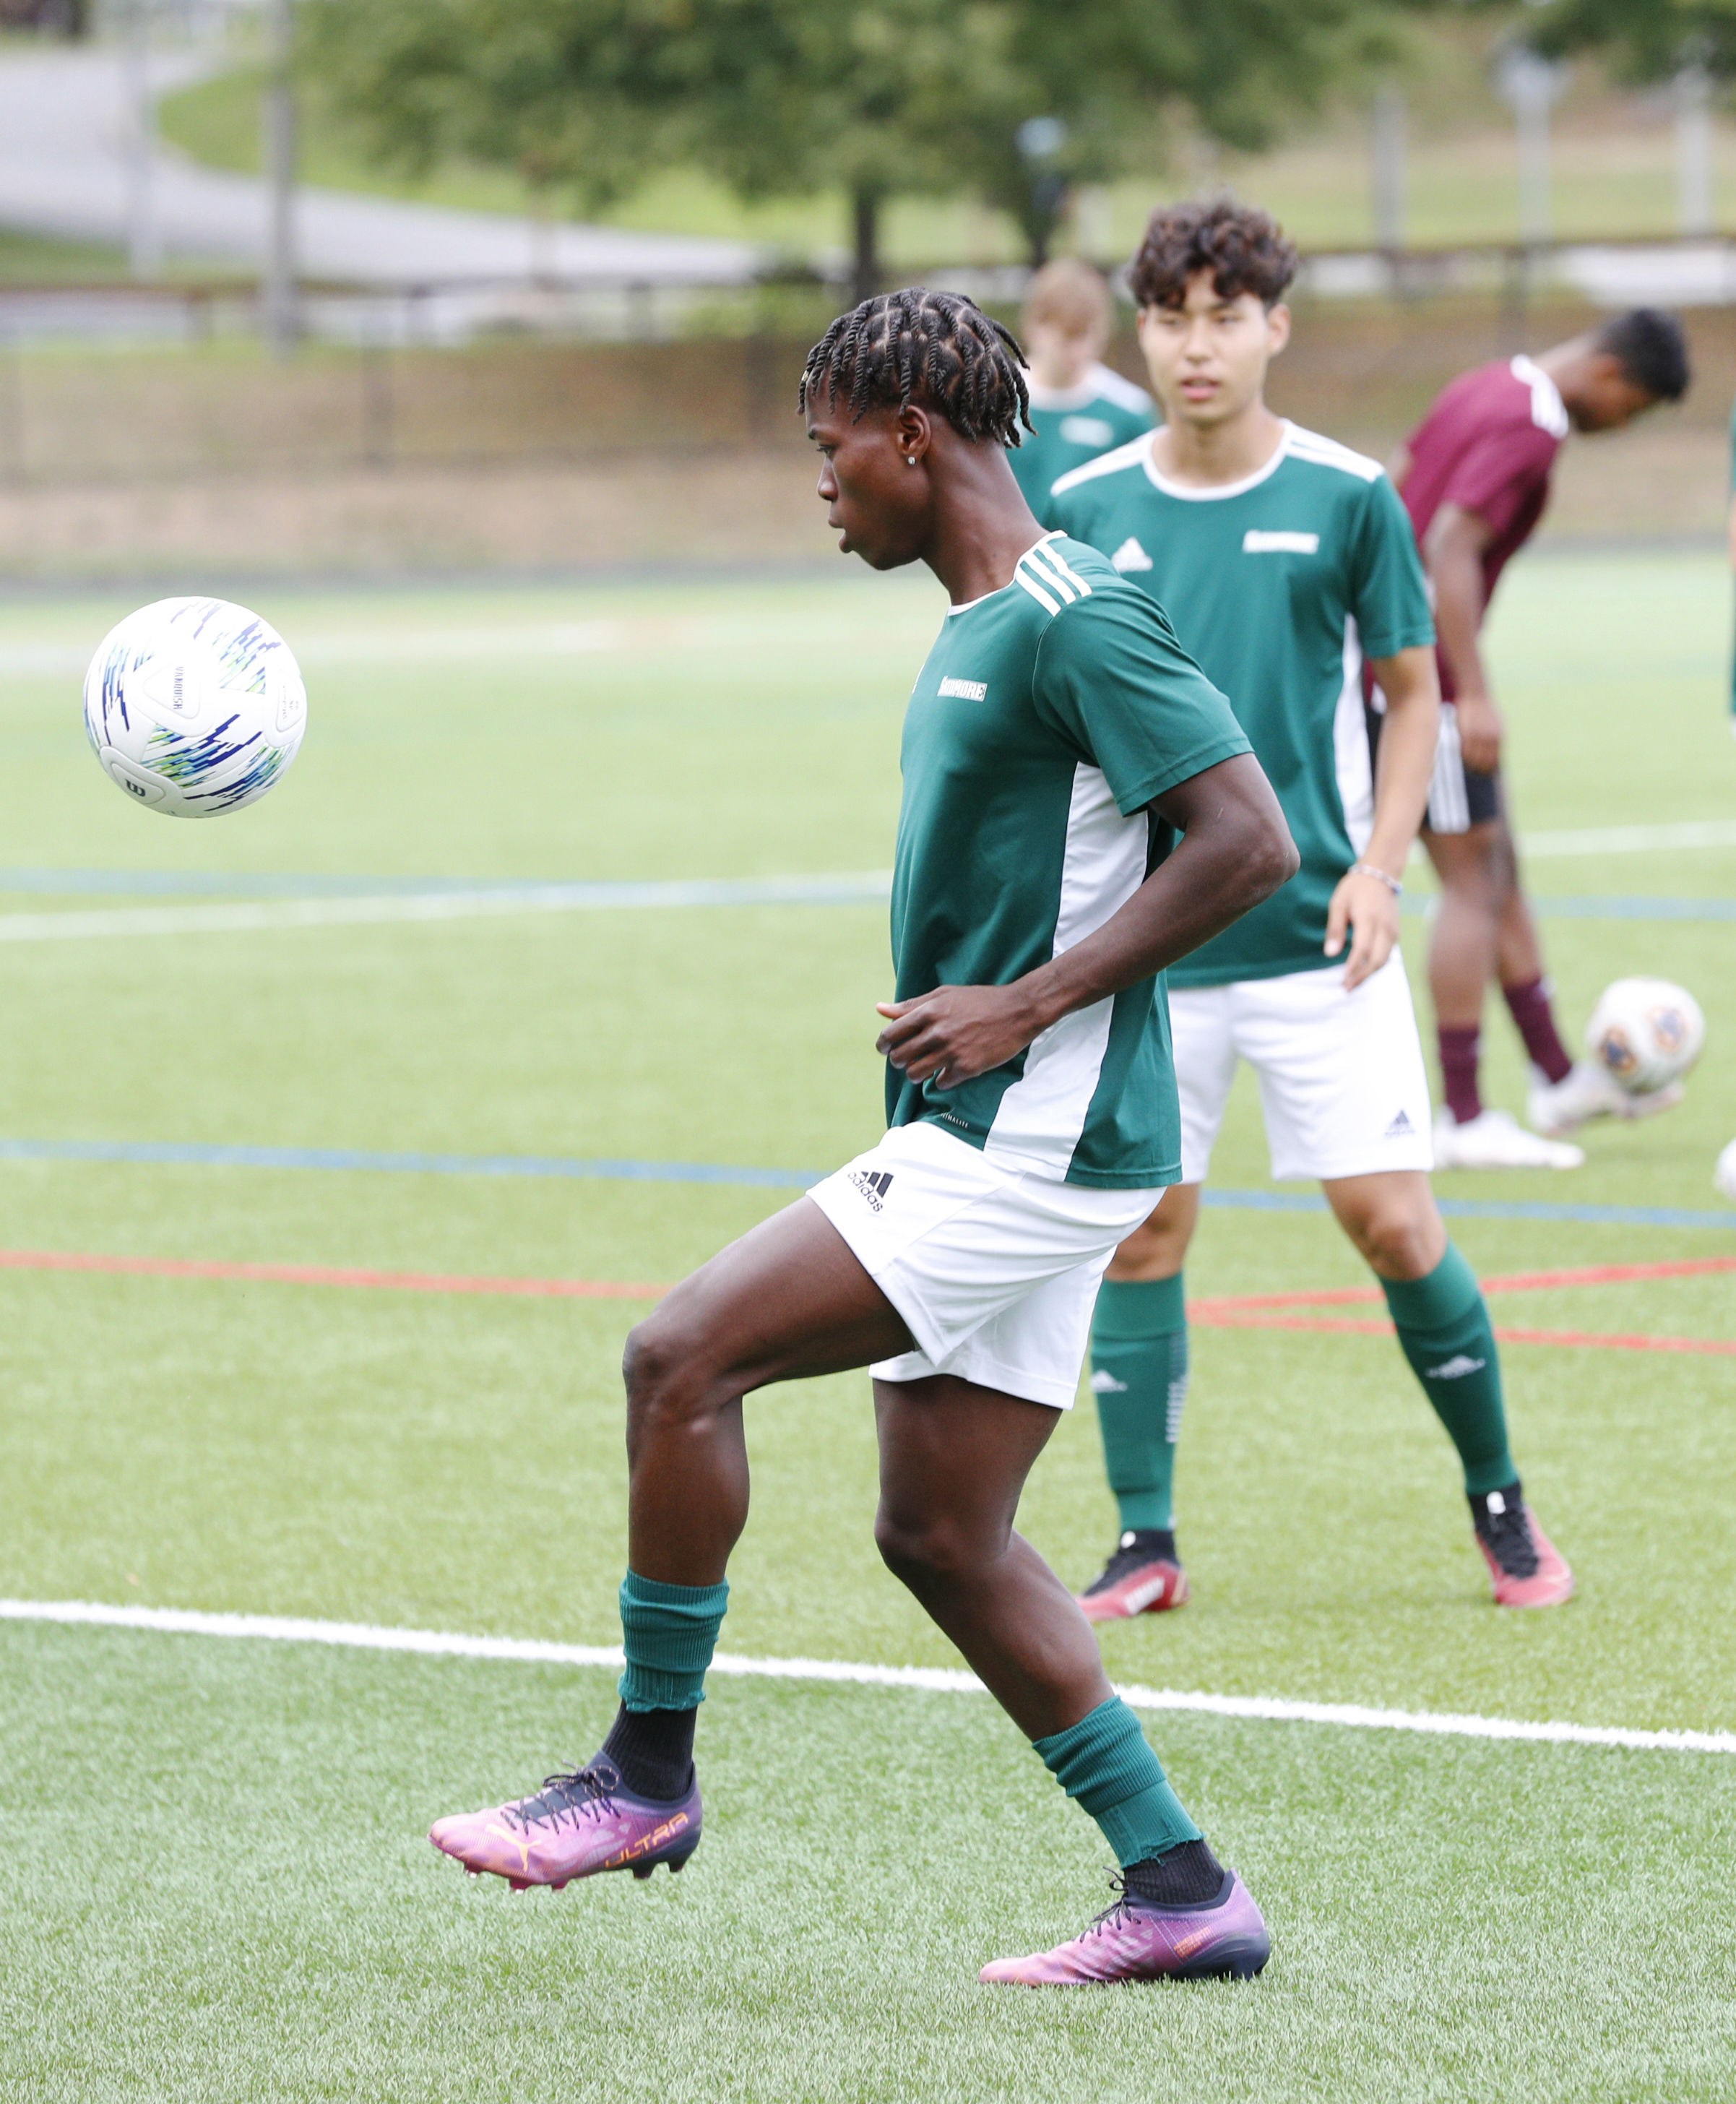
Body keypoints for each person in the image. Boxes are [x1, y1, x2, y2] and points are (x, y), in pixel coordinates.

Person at [429, 288, 1299, 1986]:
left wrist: (1024, 1004)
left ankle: (642, 1778)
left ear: (911, 431)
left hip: (1026, 1139)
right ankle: (1184, 1890)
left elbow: (1249, 842)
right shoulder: (979, 624)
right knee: (940, 1533)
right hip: (1005, 1130)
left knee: (680, 1359)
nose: (820, 481)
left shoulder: (1069, 613)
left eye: (828, 443)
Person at [1044, 197, 1575, 1624]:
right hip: (1152, 955)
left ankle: (1501, 1507)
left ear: (1274, 325)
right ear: (1141, 329)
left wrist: (1378, 866)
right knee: (1147, 1230)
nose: (1193, 345)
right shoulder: (1085, 512)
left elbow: (1412, 697)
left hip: (1315, 944)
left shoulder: (1347, 497)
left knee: (1391, 1223)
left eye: (1223, 315)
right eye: (1168, 316)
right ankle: (1142, 1539)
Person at [1394, 309, 1691, 1170]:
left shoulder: (1483, 385)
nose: (1619, 426)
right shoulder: (1530, 426)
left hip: (1396, 665)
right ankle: (1464, 1113)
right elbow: (1448, 549)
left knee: (1498, 867)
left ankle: (1558, 1076)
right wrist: (1471, 693)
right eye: (1631, 411)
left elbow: (1392, 489)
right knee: (1470, 883)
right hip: (1426, 681)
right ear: (1611, 377)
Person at [1008, 257, 1155, 512]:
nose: (1080, 351)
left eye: (1089, 335)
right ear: (1034, 326)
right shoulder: (992, 398)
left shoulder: (1129, 412)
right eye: (1068, 337)